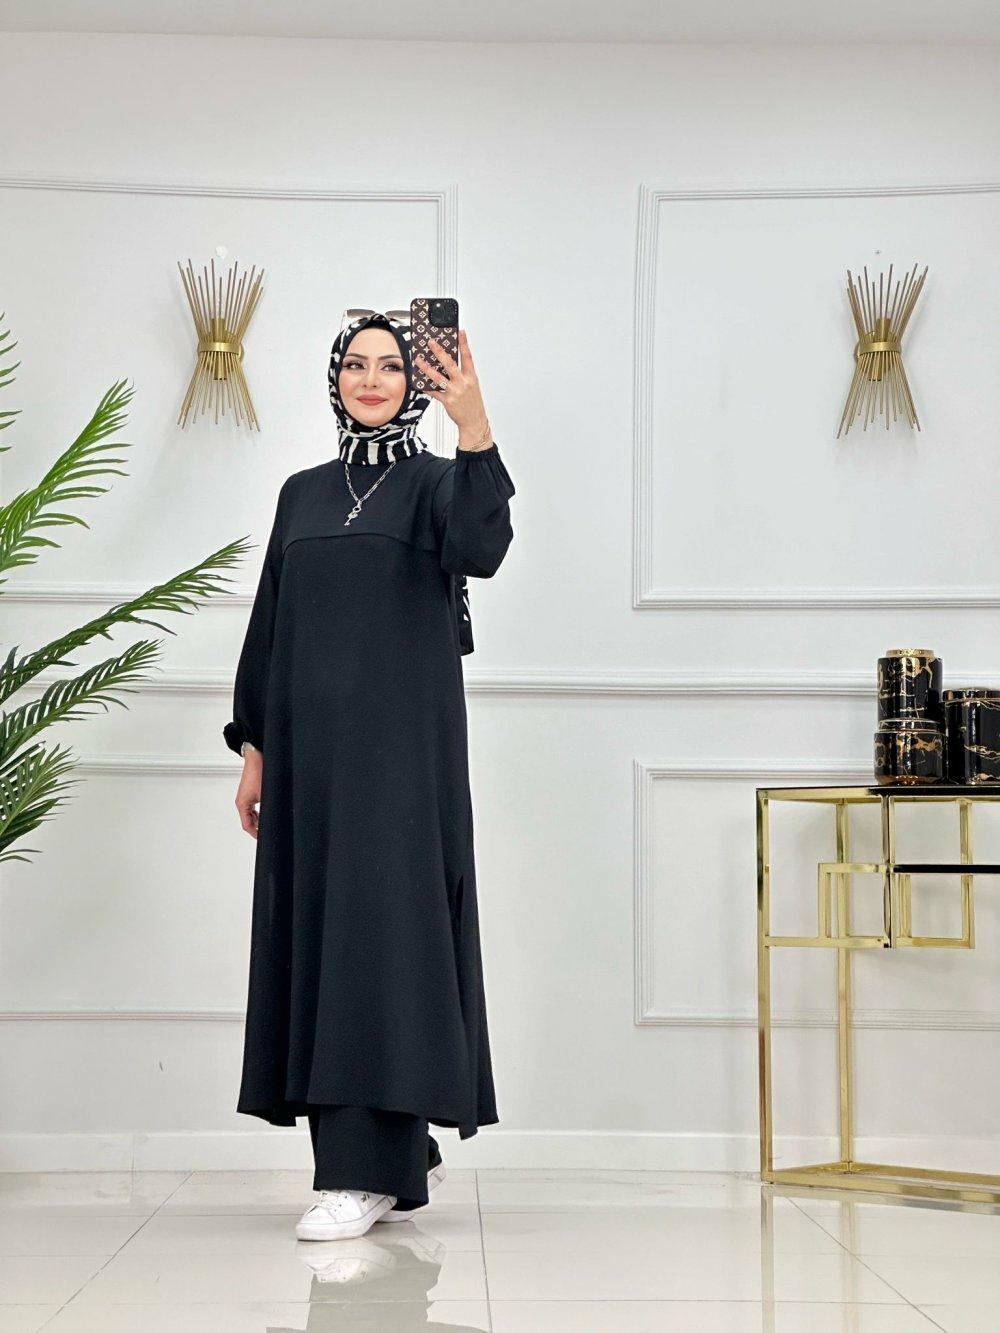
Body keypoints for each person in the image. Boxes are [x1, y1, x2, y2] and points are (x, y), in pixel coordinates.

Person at [223, 309, 515, 1241]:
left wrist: (474, 423)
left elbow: (483, 548)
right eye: (357, 363)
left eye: (393, 366)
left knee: (384, 935)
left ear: (414, 383)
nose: (373, 379)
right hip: (311, 761)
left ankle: (360, 1173)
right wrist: (257, 746)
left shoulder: (437, 484)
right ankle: (391, 1150)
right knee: (321, 935)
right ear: (336, 377)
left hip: (402, 763)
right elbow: (272, 623)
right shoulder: (302, 493)